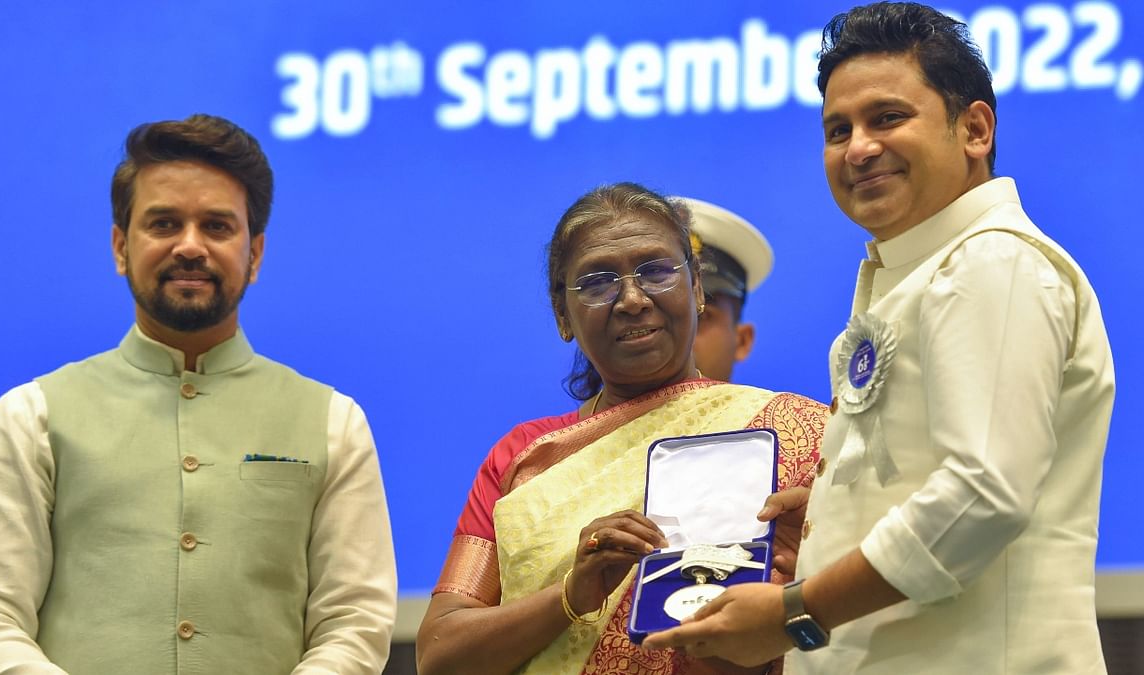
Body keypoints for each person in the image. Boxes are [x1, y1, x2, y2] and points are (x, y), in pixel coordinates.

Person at [643, 3, 1115, 673]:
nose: (858, 147)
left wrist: (792, 611)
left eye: (887, 118)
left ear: (974, 129)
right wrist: (838, 508)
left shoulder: (990, 261)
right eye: (838, 129)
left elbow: (982, 495)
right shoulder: (923, 270)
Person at [0, 114, 397, 674]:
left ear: (255, 254)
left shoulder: (334, 422)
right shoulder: (30, 417)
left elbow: (355, 623)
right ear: (120, 247)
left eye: (216, 226)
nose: (190, 246)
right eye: (163, 224)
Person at [415, 183, 827, 675]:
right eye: (597, 282)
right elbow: (439, 655)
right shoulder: (524, 457)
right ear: (562, 315)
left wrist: (808, 575)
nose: (632, 299)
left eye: (655, 271)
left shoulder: (800, 434)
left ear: (696, 289)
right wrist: (571, 593)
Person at [675, 197, 773, 382]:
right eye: (665, 316)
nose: (680, 336)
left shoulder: (778, 411)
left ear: (742, 341)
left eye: (701, 316)